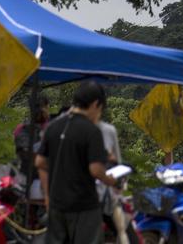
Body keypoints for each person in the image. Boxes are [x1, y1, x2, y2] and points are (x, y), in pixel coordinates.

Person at [35, 81, 118, 244]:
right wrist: (111, 180)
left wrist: (47, 195)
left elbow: (40, 162)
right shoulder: (91, 131)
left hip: (57, 204)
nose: (99, 115)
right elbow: (95, 170)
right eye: (100, 110)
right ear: (95, 104)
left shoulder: (53, 126)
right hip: (83, 206)